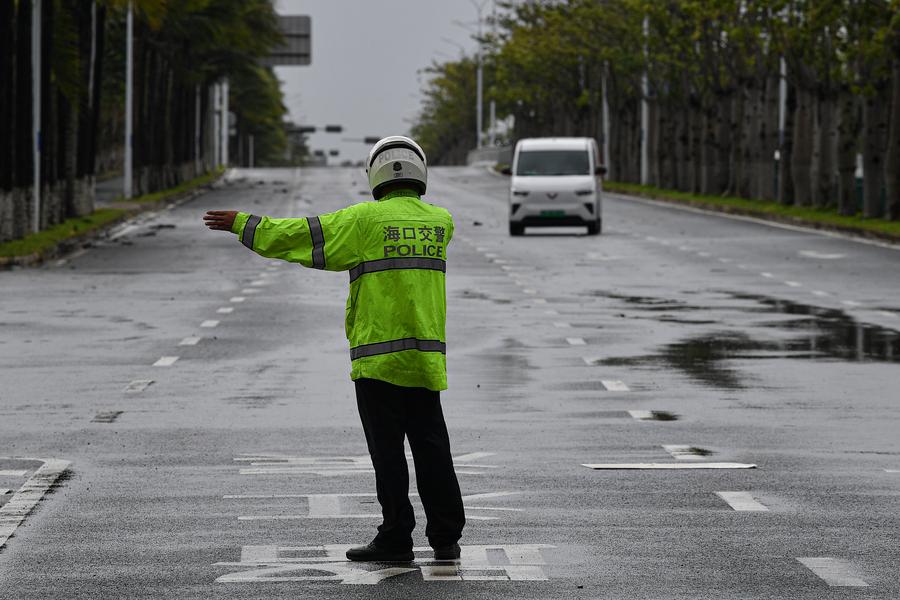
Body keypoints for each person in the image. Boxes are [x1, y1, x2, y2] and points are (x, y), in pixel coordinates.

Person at [203, 136, 465, 562]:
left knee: (389, 456)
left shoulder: (364, 221)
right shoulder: (441, 223)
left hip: (379, 361)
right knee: (433, 448)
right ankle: (447, 539)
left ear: (375, 174)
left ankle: (396, 537)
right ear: (420, 172)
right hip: (425, 359)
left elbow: (298, 236)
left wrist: (243, 224)